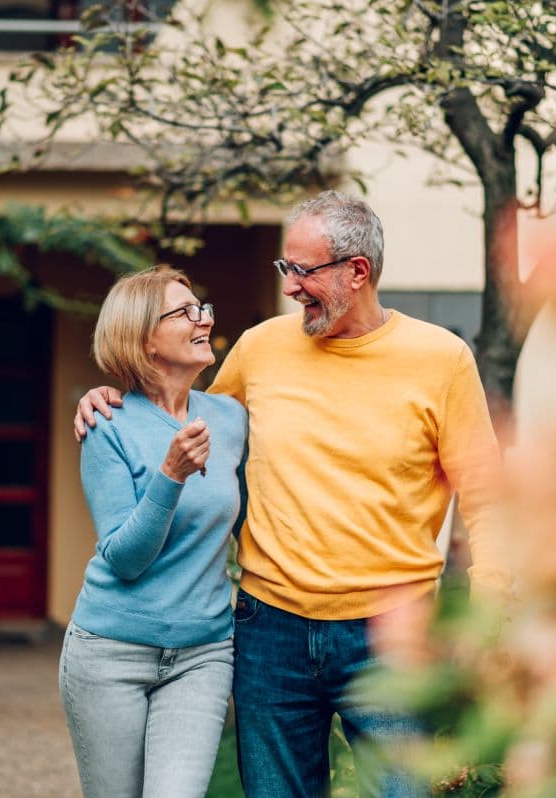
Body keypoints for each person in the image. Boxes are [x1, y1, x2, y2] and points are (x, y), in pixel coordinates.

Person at [74, 191, 509, 797]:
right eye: (286, 269)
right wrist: (108, 397)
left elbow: (487, 496)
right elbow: (179, 414)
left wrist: (485, 617)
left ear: (356, 273)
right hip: (268, 631)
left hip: (391, 634)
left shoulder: (441, 359)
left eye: (303, 271)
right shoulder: (260, 349)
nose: (290, 288)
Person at [60, 265, 248, 798]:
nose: (203, 320)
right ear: (144, 338)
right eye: (185, 312)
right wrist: (171, 475)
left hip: (203, 653)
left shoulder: (231, 419)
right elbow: (125, 558)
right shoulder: (106, 426)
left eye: (203, 309)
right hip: (109, 651)